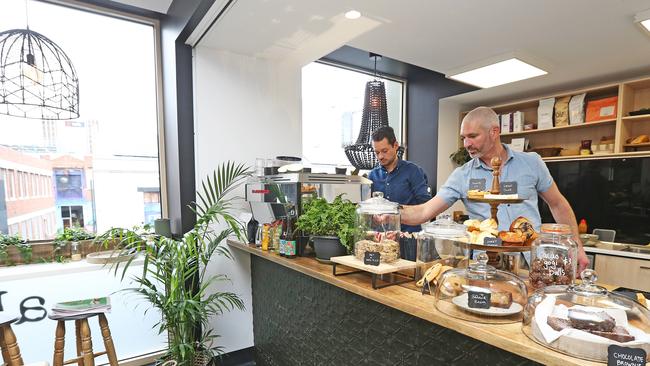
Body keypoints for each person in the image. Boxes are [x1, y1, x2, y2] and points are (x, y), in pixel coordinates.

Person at [400, 106, 589, 271]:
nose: (466, 144)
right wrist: (388, 211)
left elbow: (557, 204)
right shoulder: (462, 175)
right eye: (463, 138)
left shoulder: (532, 163)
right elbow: (424, 211)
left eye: (473, 136)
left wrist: (577, 246)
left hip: (534, 261)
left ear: (494, 132)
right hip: (487, 264)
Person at [369, 126, 431, 232]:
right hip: (381, 237)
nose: (380, 157)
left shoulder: (413, 171)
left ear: (395, 146)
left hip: (408, 236)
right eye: (377, 152)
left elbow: (426, 205)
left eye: (384, 151)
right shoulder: (372, 176)